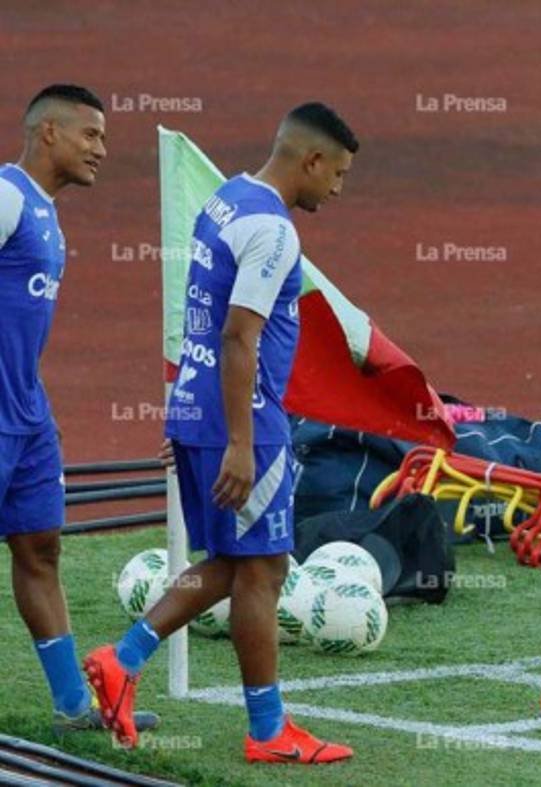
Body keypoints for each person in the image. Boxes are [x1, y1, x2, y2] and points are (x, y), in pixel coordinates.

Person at [85, 103, 358, 763]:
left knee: (234, 564)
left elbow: (198, 315)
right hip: (244, 415)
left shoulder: (224, 200)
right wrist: (238, 439)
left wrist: (191, 413)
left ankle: (121, 659)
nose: (338, 189)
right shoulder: (273, 230)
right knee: (262, 568)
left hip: (198, 402)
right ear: (311, 159)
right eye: (339, 174)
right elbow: (240, 334)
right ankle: (267, 730)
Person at [0, 84, 159, 736]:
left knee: (40, 548)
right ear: (49, 134)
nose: (101, 149)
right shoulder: (7, 195)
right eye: (90, 134)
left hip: (27, 412)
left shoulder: (44, 211)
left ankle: (74, 706)